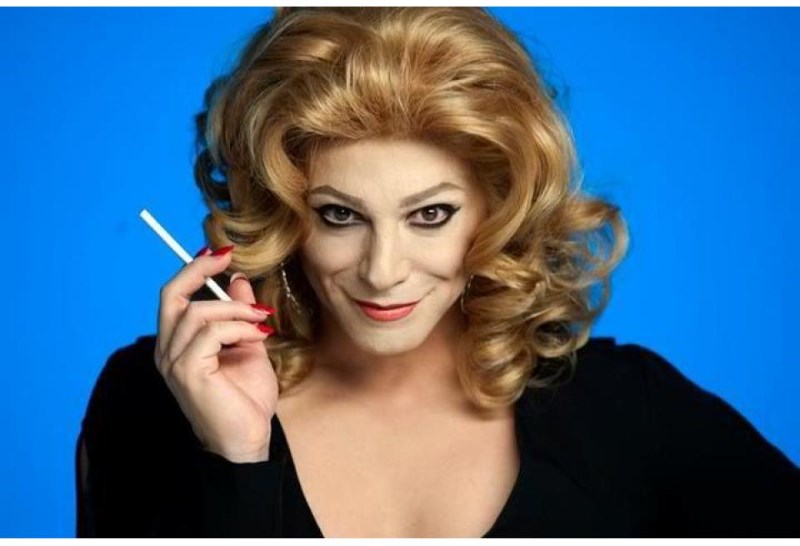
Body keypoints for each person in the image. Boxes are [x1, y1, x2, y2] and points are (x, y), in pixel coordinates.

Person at [76, 7, 799, 538]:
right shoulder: (154, 402)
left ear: (496, 210)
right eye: (339, 215)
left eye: (430, 215)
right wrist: (236, 461)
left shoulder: (627, 410)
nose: (384, 271)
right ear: (284, 214)